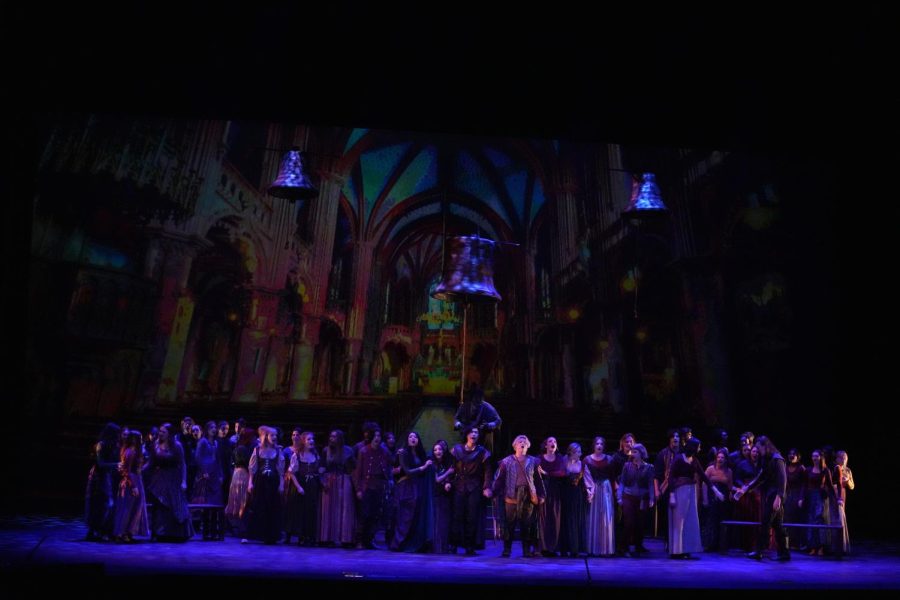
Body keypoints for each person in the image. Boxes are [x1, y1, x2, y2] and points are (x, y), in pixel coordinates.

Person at [737, 435, 790, 561]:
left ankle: (759, 550)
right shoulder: (767, 459)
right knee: (777, 525)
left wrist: (779, 498)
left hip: (776, 495)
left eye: (759, 448)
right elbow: (761, 477)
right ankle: (784, 553)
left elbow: (782, 481)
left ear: (765, 446)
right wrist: (747, 488)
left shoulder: (778, 459)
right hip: (770, 494)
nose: (758, 451)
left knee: (766, 522)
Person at [492, 435, 543, 558]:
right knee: (509, 525)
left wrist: (541, 495)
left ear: (528, 446)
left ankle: (526, 550)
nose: (522, 444)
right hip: (511, 496)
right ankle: (507, 549)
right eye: (520, 442)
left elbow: (538, 480)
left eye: (525, 442)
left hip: (527, 496)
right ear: (515, 445)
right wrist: (493, 491)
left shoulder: (533, 461)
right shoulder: (506, 461)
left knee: (527, 525)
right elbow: (499, 479)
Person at [450, 426, 493, 556]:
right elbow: (451, 468)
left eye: (476, 432)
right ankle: (454, 545)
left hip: (474, 486)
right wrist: (448, 482)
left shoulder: (483, 452)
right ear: (467, 434)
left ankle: (470, 547)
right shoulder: (456, 450)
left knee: (472, 517)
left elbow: (488, 472)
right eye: (471, 432)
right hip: (459, 486)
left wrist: (486, 487)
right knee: (457, 516)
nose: (474, 434)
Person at [454, 384, 502, 452]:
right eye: (475, 401)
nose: (477, 405)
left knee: (485, 452)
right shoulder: (464, 406)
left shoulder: (487, 407)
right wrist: (458, 424)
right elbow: (457, 418)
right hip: (468, 435)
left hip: (483, 436)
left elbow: (498, 420)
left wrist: (489, 425)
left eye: (479, 401)